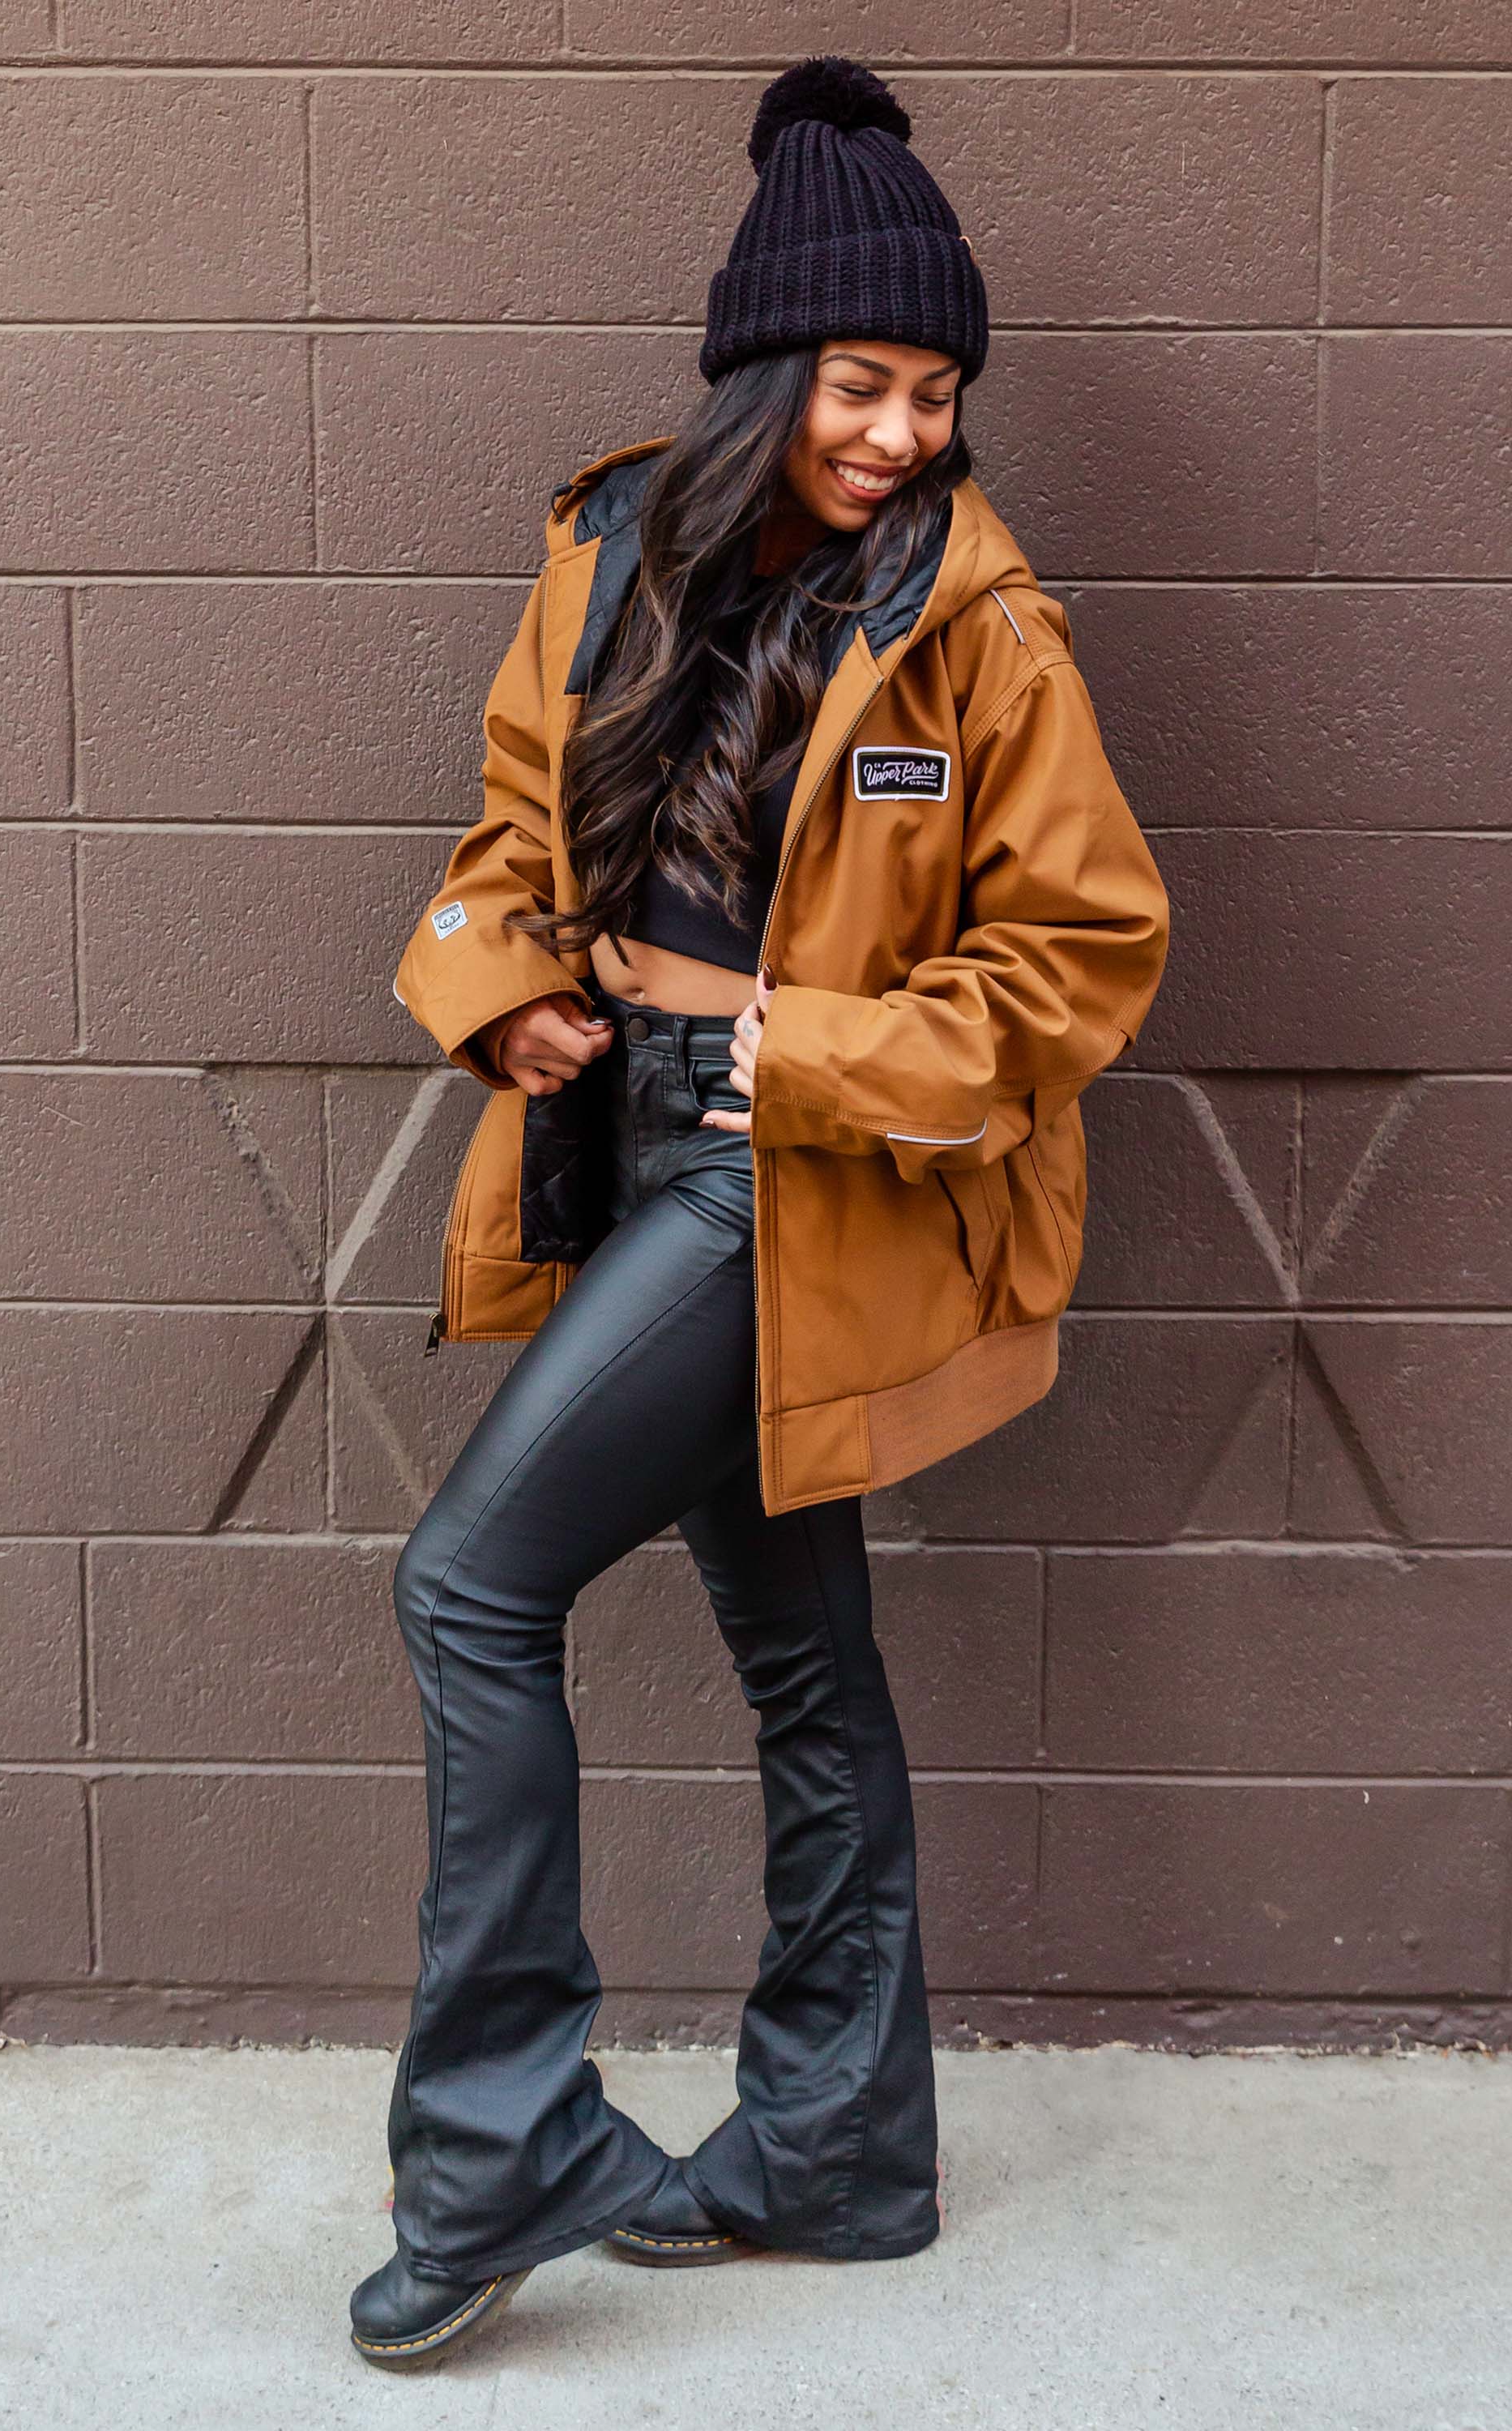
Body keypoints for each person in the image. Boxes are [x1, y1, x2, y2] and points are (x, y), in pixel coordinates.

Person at [350, 54, 1170, 2371]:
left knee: (467, 1592)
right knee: (806, 1662)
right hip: (634, 1146)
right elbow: (512, 835)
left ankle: (503, 2147)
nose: (903, 431)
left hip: (779, 1181)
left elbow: (1081, 963)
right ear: (763, 371)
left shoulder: (983, 631)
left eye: (932, 392)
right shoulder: (610, 551)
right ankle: (842, 2145)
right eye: (863, 380)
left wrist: (781, 1030)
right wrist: (504, 998)